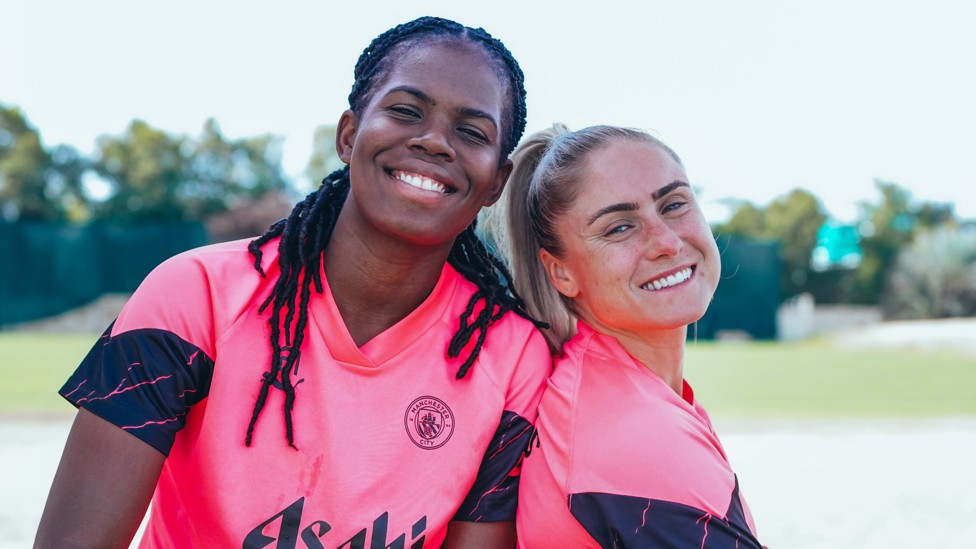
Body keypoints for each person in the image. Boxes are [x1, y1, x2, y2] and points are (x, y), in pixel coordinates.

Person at [34, 17, 552, 549]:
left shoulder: (512, 357)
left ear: (496, 181)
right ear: (349, 136)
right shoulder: (195, 294)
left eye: (471, 132)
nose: (434, 141)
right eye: (405, 111)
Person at [489, 124, 765, 547]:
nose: (667, 242)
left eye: (674, 204)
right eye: (619, 227)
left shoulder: (606, 386)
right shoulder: (635, 436)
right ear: (561, 272)